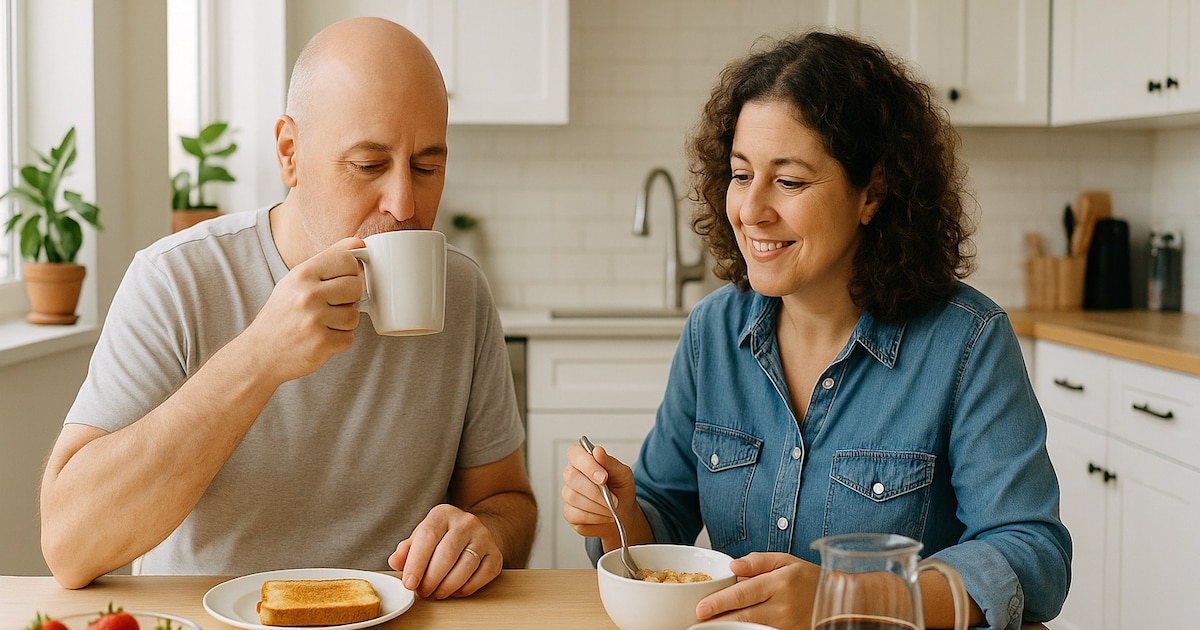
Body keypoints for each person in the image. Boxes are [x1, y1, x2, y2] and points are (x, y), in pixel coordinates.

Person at [561, 30, 1070, 630]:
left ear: (872, 193)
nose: (752, 211)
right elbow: (661, 518)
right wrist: (617, 513)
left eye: (790, 181)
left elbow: (1033, 557)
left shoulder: (967, 342)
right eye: (742, 174)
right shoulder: (712, 332)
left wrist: (845, 597)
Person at [39, 17, 536, 598]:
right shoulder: (175, 280)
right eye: (368, 165)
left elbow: (508, 503)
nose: (404, 204)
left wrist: (485, 536)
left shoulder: (462, 291)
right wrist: (257, 358)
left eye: (426, 167)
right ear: (290, 153)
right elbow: (69, 547)